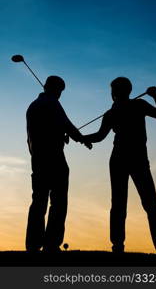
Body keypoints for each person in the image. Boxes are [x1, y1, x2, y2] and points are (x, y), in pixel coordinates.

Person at [84, 77, 156, 256]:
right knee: (149, 203)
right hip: (135, 158)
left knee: (121, 204)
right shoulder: (136, 105)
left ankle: (119, 246)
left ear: (115, 93)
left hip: (121, 158)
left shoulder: (115, 111)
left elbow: (99, 137)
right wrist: (155, 96)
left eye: (112, 91)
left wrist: (83, 138)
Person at [26, 75, 92, 252]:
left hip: (37, 160)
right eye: (60, 91)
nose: (60, 94)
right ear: (56, 89)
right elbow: (67, 125)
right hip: (55, 159)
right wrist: (82, 139)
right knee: (59, 201)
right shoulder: (53, 103)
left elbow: (39, 133)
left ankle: (33, 244)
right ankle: (51, 243)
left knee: (38, 201)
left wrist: (59, 135)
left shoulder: (33, 106)